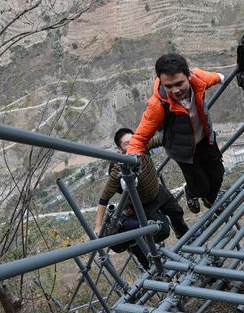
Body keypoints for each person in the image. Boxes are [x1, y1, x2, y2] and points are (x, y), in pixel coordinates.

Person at [127, 53, 225, 214]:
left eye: (180, 83)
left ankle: (209, 199)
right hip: (182, 149)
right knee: (201, 185)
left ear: (189, 76)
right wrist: (130, 162)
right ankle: (192, 193)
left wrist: (221, 77)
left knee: (218, 174)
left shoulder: (198, 80)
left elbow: (212, 77)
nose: (176, 90)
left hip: (205, 140)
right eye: (169, 86)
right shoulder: (158, 104)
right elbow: (139, 137)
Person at [93, 128, 188, 268]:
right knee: (162, 231)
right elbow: (104, 198)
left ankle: (186, 238)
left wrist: (182, 131)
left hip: (158, 191)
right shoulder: (118, 169)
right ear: (120, 149)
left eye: (133, 140)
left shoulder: (142, 146)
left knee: (176, 211)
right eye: (126, 143)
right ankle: (139, 247)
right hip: (144, 204)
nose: (132, 145)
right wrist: (98, 225)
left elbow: (161, 139)